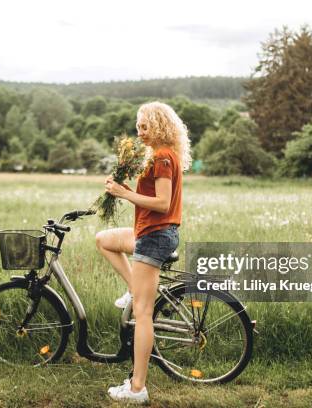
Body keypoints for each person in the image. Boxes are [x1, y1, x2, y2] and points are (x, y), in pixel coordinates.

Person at [95, 101, 191, 403]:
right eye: (138, 126)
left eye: (145, 126)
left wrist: (124, 193)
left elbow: (162, 203)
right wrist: (121, 187)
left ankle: (137, 388)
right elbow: (150, 197)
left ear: (160, 126)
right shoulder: (161, 156)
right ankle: (133, 289)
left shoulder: (163, 158)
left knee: (143, 315)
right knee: (104, 239)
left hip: (155, 236)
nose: (140, 131)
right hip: (150, 233)